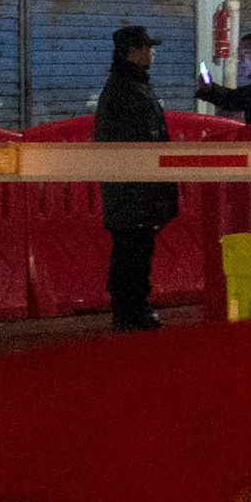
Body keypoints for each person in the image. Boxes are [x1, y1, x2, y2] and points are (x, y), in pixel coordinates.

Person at [94, 24, 175, 332]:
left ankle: (131, 309)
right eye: (147, 47)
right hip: (134, 189)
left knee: (134, 250)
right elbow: (139, 142)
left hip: (134, 188)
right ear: (133, 52)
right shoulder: (127, 90)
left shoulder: (130, 85)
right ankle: (132, 311)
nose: (152, 52)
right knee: (132, 251)